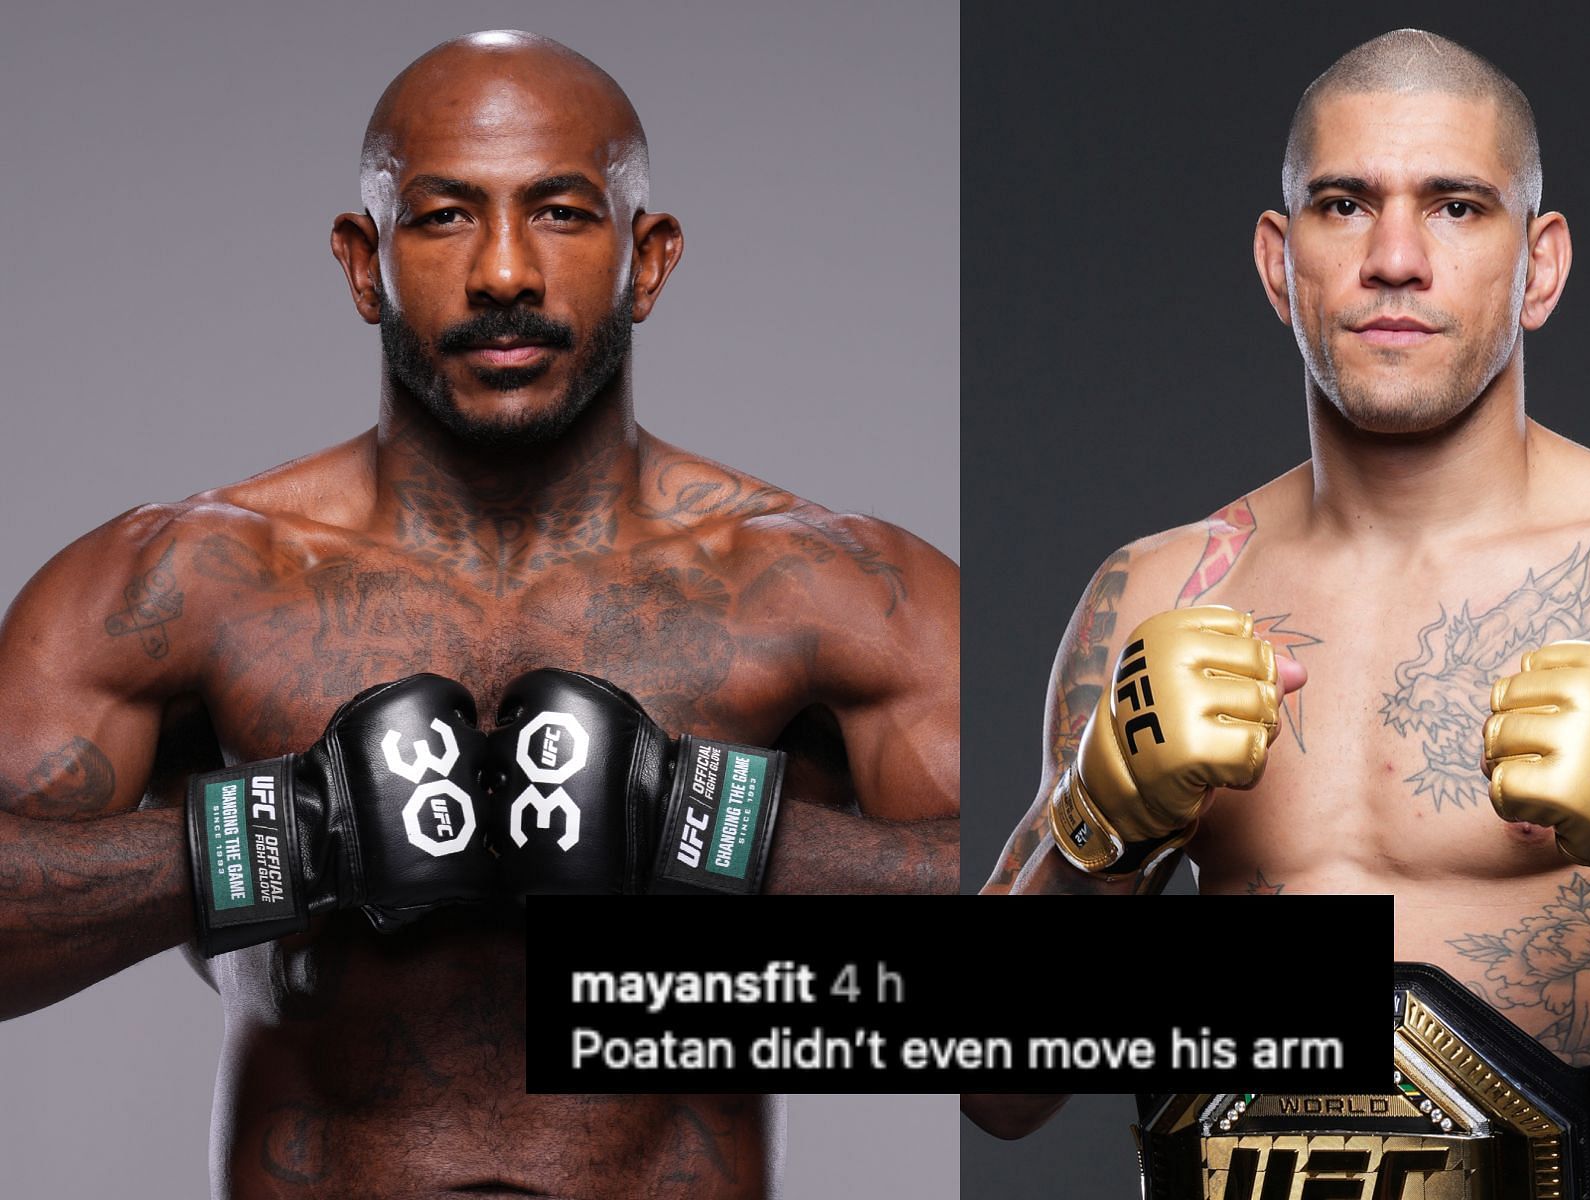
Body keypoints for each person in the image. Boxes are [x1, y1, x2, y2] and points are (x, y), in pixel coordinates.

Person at [0, 29, 958, 1198]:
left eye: (561, 212)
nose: (505, 271)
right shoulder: (181, 583)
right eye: (445, 216)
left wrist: (702, 825)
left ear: (648, 261)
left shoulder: (836, 591)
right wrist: (292, 831)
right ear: (364, 264)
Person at [980, 26, 1590, 1189]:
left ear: (1542, 265)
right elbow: (996, 1091)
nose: (1398, 257)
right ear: (1280, 262)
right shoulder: (1152, 597)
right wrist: (1096, 830)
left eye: (1459, 206)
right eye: (1344, 204)